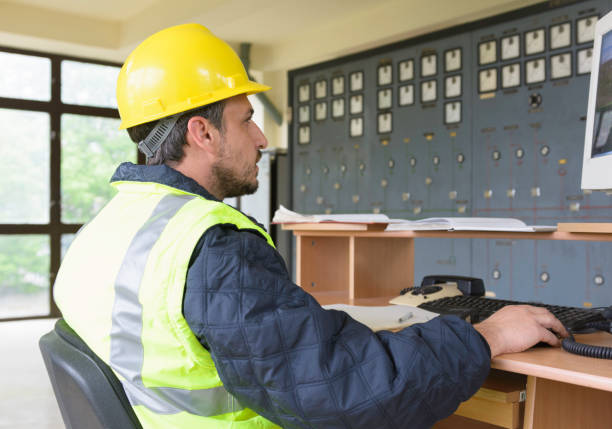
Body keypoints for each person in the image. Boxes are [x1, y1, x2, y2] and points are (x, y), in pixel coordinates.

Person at [53, 23, 568, 429]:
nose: (260, 138)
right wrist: (487, 334)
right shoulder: (211, 246)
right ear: (202, 132)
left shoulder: (104, 230)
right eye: (246, 120)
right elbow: (344, 391)